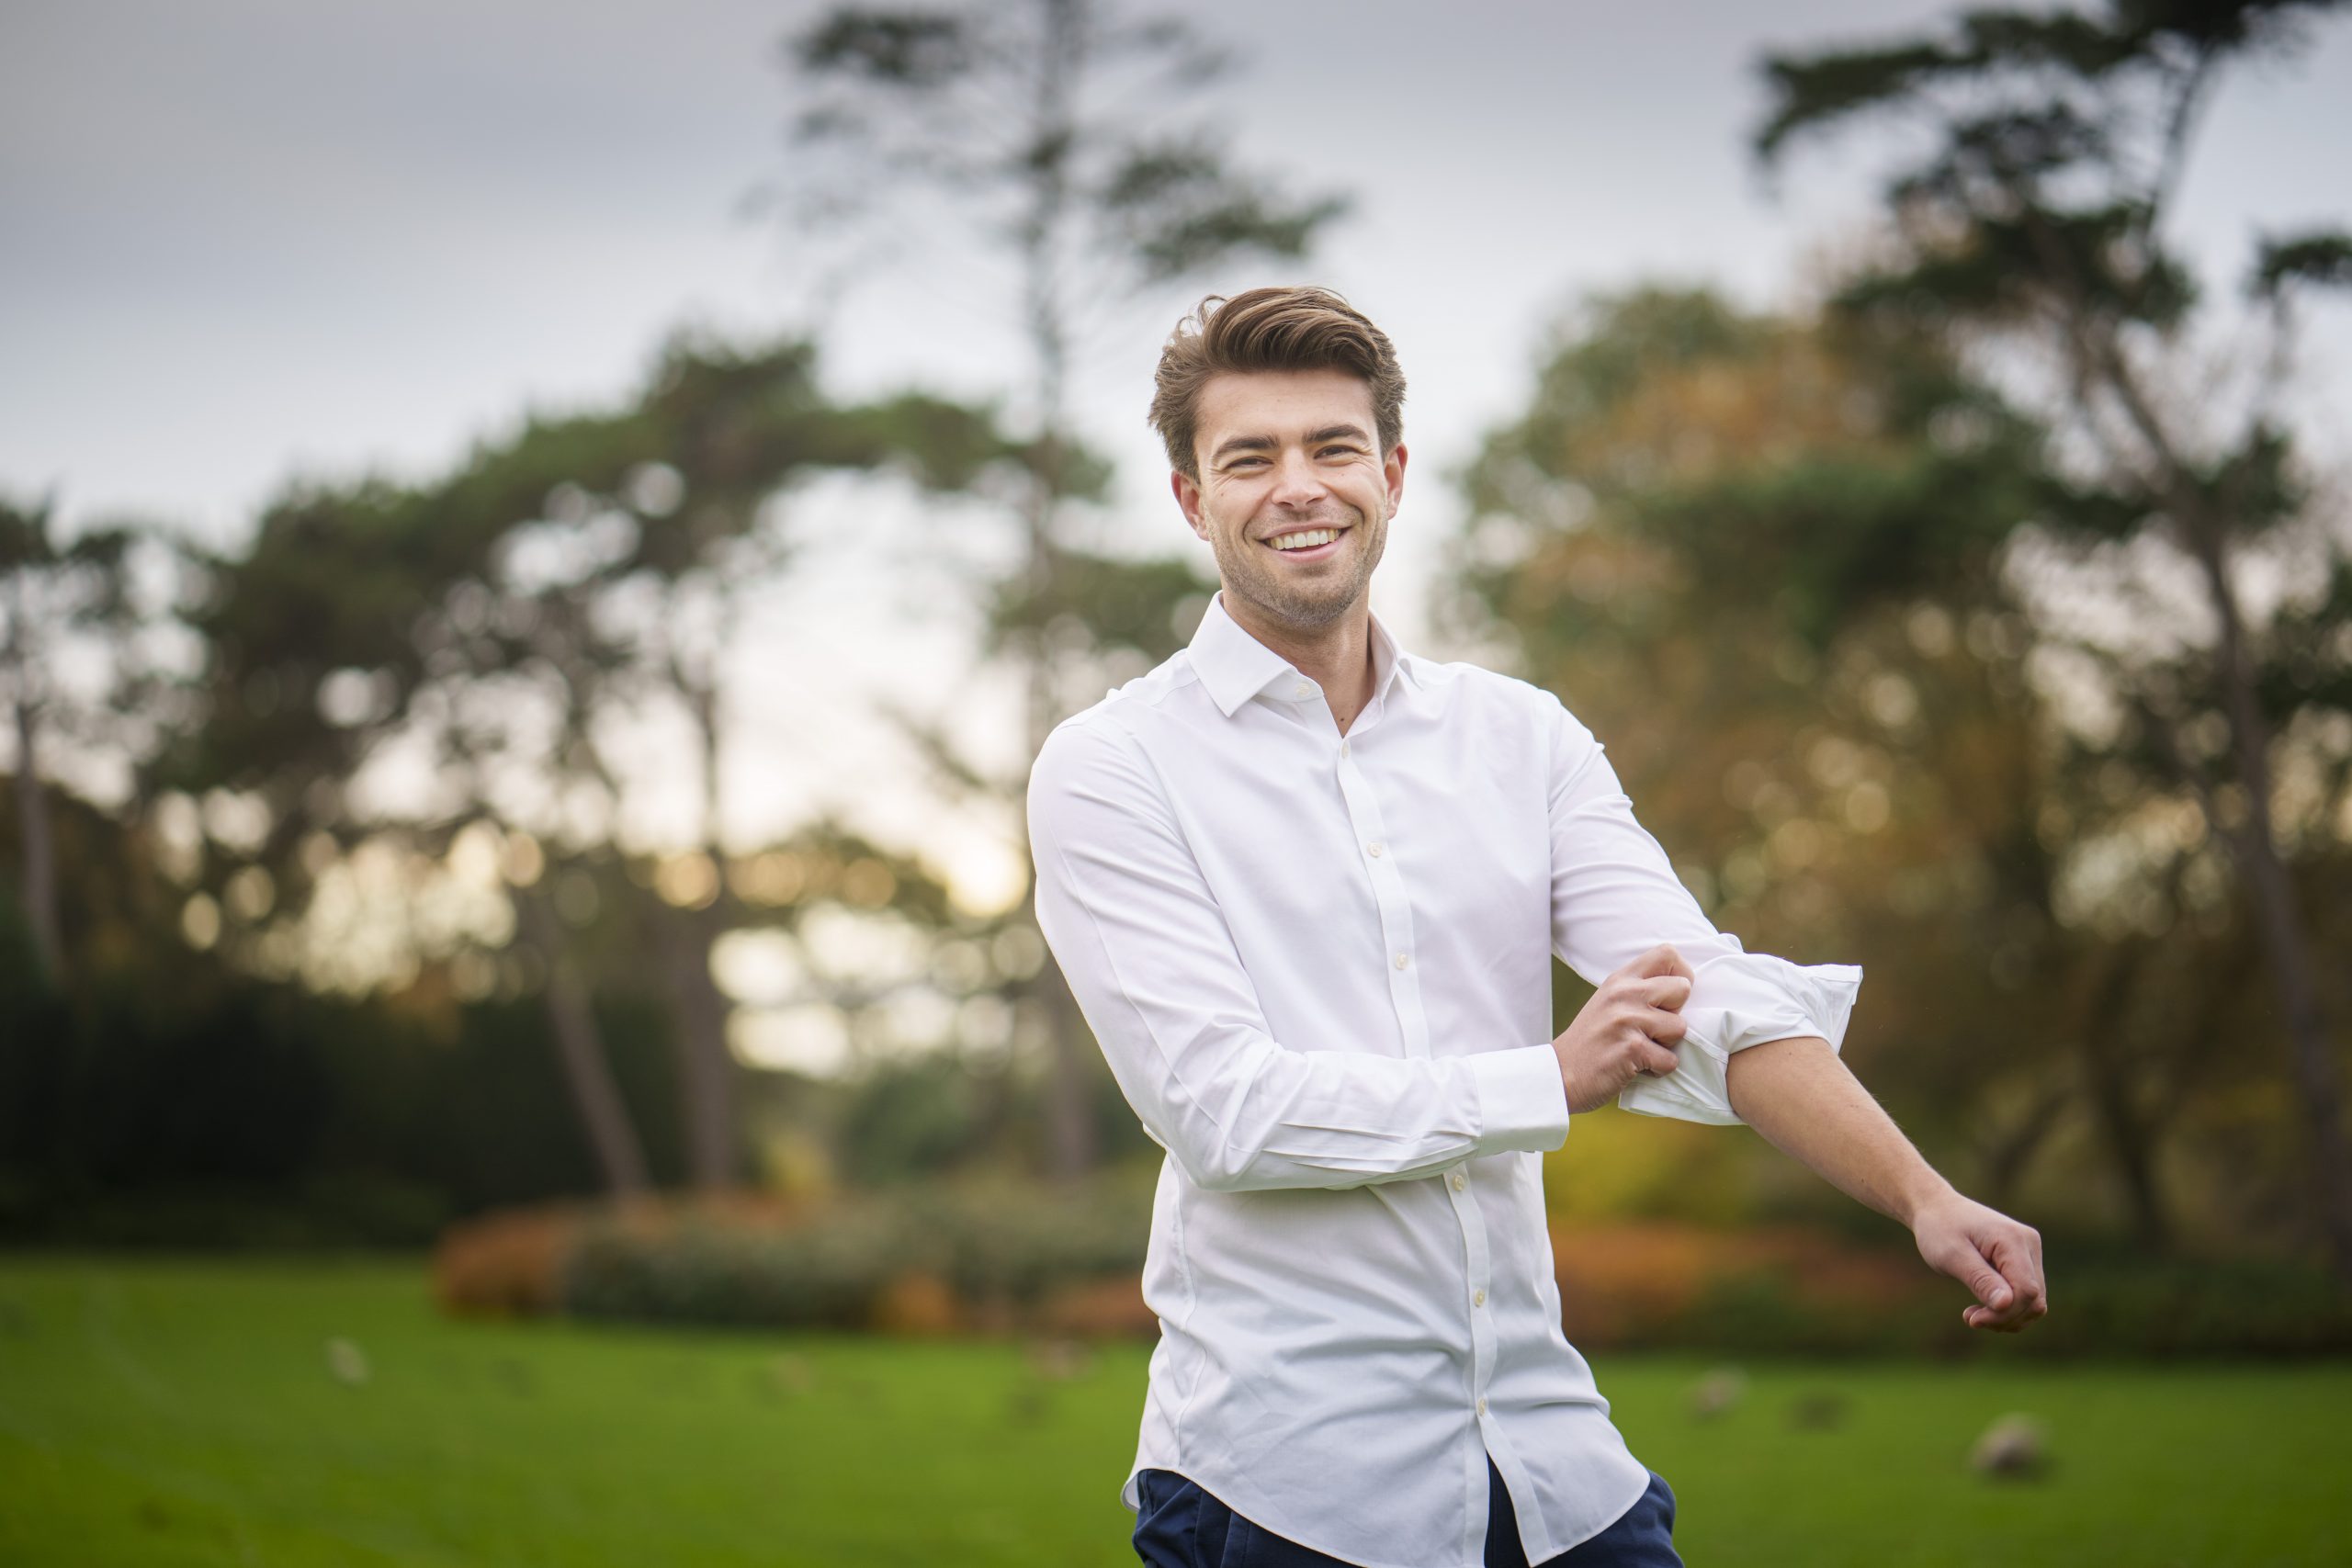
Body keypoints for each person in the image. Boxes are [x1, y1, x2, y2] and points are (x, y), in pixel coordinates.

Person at [1023, 286, 2046, 1568]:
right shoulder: (1112, 767)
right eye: (1250, 458)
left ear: (1392, 475)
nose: (1300, 487)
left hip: (1553, 1462)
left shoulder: (1521, 737)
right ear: (1191, 499)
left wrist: (1925, 1199)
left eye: (1334, 447)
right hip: (1284, 1486)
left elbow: (1703, 994)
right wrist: (1550, 1077)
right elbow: (1222, 1111)